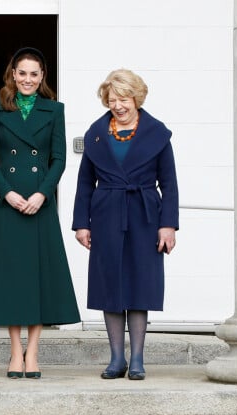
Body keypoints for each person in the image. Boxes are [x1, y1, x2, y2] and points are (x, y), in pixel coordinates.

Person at [72, 69, 179, 380]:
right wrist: (82, 224)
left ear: (137, 98)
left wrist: (167, 225)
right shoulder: (96, 134)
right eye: (111, 99)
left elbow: (169, 184)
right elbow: (84, 183)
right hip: (106, 214)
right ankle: (116, 358)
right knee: (110, 285)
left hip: (145, 215)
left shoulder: (157, 134)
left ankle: (138, 359)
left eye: (123, 99)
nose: (117, 105)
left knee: (139, 285)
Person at [0, 47, 80, 379]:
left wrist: (42, 192)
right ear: (12, 74)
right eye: (21, 73)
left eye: (34, 74)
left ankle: (33, 352)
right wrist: (6, 192)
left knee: (38, 280)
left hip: (40, 204)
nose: (27, 80)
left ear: (42, 77)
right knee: (12, 280)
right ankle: (14, 353)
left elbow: (59, 159)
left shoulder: (55, 110)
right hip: (9, 204)